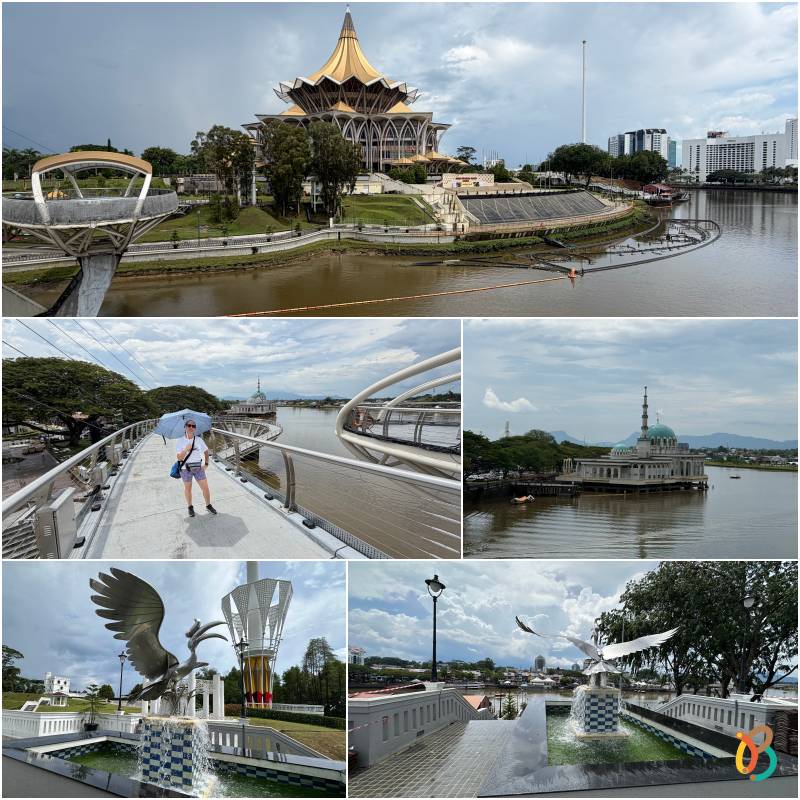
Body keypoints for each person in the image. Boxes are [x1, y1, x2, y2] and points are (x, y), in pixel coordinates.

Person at [176, 419, 216, 517]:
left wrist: (206, 464)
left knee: (205, 488)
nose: (191, 427)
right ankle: (190, 507)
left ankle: (208, 505)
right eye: (189, 425)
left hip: (198, 468)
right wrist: (186, 449)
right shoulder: (180, 440)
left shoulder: (198, 440)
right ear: (185, 427)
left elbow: (206, 451)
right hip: (185, 469)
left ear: (195, 428)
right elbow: (179, 458)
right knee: (188, 489)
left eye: (193, 426)